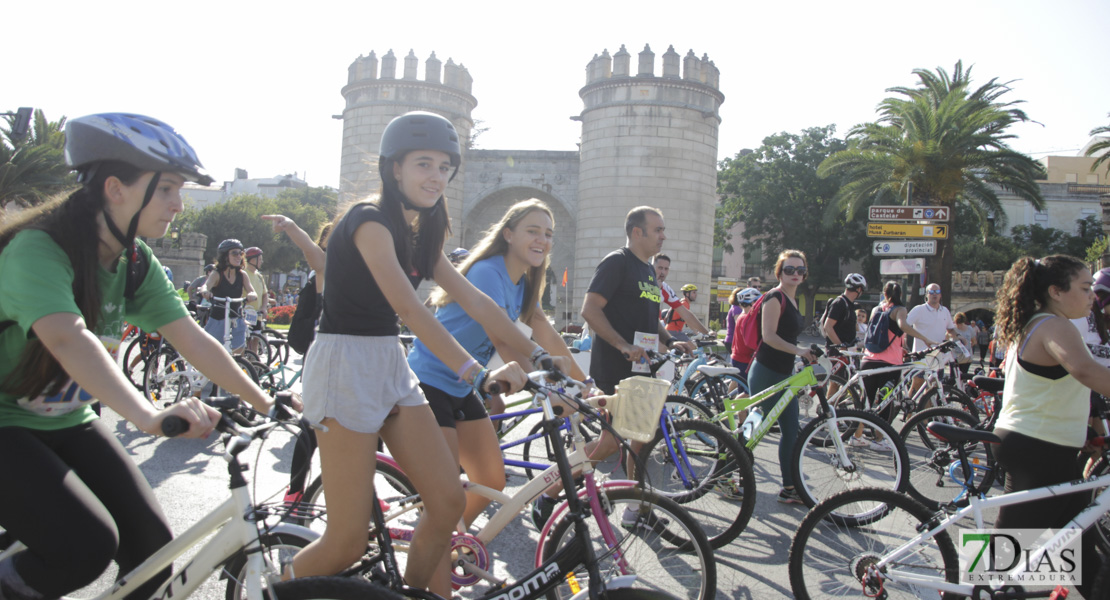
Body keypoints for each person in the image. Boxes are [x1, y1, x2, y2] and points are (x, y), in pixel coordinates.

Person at [0, 113, 275, 600]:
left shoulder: (132, 261)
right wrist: (150, 416)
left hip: (66, 421)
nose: (179, 203)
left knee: (153, 554)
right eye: (167, 188)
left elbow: (192, 338)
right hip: (5, 425)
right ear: (115, 188)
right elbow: (69, 340)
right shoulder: (38, 250)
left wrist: (268, 403)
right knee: (83, 546)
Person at [285, 111, 546, 596]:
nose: (436, 177)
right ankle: (272, 589)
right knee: (345, 543)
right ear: (394, 169)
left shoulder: (422, 229)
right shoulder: (369, 221)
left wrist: (541, 358)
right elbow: (408, 307)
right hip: (344, 363)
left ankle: (413, 594)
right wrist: (473, 370)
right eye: (424, 164)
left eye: (445, 167)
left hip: (388, 362)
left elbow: (473, 298)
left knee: (448, 502)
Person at [409, 199, 584, 532]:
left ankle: (448, 541)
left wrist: (584, 381)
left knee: (491, 480)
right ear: (508, 234)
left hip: (465, 385)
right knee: (444, 493)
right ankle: (434, 546)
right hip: (429, 380)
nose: (542, 240)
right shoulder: (488, 271)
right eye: (532, 231)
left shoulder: (526, 281)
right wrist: (552, 386)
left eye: (548, 234)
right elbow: (503, 339)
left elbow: (543, 331)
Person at [993, 255, 1110, 598]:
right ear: (1056, 291)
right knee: (1003, 559)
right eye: (1085, 288)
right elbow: (1085, 371)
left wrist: (1084, 432)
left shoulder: (1037, 322)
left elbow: (1054, 389)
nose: (1092, 297)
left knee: (1083, 557)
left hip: (1042, 444)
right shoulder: (1055, 326)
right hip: (1037, 448)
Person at [262, 214, 329, 506]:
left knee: (366, 432)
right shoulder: (325, 271)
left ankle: (367, 496)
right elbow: (314, 254)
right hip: (323, 357)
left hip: (354, 364)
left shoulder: (367, 271)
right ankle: (295, 491)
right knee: (312, 427)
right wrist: (291, 227)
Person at [746, 249, 816, 504]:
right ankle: (726, 472)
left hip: (785, 373)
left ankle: (789, 487)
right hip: (766, 371)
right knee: (756, 429)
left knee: (790, 430)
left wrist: (805, 353)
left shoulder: (793, 299)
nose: (795, 274)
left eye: (800, 270)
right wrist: (799, 350)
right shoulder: (775, 297)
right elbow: (769, 336)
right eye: (789, 269)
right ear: (779, 272)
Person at [859, 281, 937, 428]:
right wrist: (925, 338)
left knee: (865, 402)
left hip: (868, 359)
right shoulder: (899, 309)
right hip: (889, 364)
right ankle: (879, 439)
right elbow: (903, 326)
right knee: (886, 403)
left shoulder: (876, 309)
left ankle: (856, 436)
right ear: (900, 294)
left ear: (885, 293)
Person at [197, 238, 257, 354]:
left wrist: (251, 295)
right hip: (218, 318)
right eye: (234, 253)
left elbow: (252, 291)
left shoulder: (242, 275)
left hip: (236, 317)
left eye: (241, 253)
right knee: (211, 351)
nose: (239, 256)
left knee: (238, 351)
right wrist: (205, 292)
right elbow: (206, 286)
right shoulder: (217, 274)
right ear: (225, 256)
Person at [905, 282, 956, 395]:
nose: (934, 294)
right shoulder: (919, 310)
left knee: (933, 390)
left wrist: (959, 337)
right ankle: (908, 412)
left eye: (937, 292)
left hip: (938, 357)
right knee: (917, 385)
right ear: (926, 295)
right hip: (921, 355)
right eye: (931, 292)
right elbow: (905, 325)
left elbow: (951, 329)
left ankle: (928, 412)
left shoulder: (945, 311)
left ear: (940, 295)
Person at [653, 254, 709, 339]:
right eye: (660, 268)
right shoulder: (642, 280)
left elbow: (687, 315)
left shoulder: (665, 288)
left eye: (666, 269)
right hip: (636, 330)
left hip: (653, 332)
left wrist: (706, 332)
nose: (663, 272)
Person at [822, 274, 866, 347]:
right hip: (837, 352)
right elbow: (828, 326)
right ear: (859, 289)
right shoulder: (840, 303)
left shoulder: (850, 305)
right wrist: (841, 346)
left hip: (848, 350)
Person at [243, 246, 269, 353]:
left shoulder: (259, 276)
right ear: (253, 260)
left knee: (255, 339)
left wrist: (263, 307)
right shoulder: (243, 273)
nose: (262, 261)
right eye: (260, 259)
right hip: (245, 313)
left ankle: (253, 363)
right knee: (245, 340)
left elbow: (265, 294)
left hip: (256, 315)